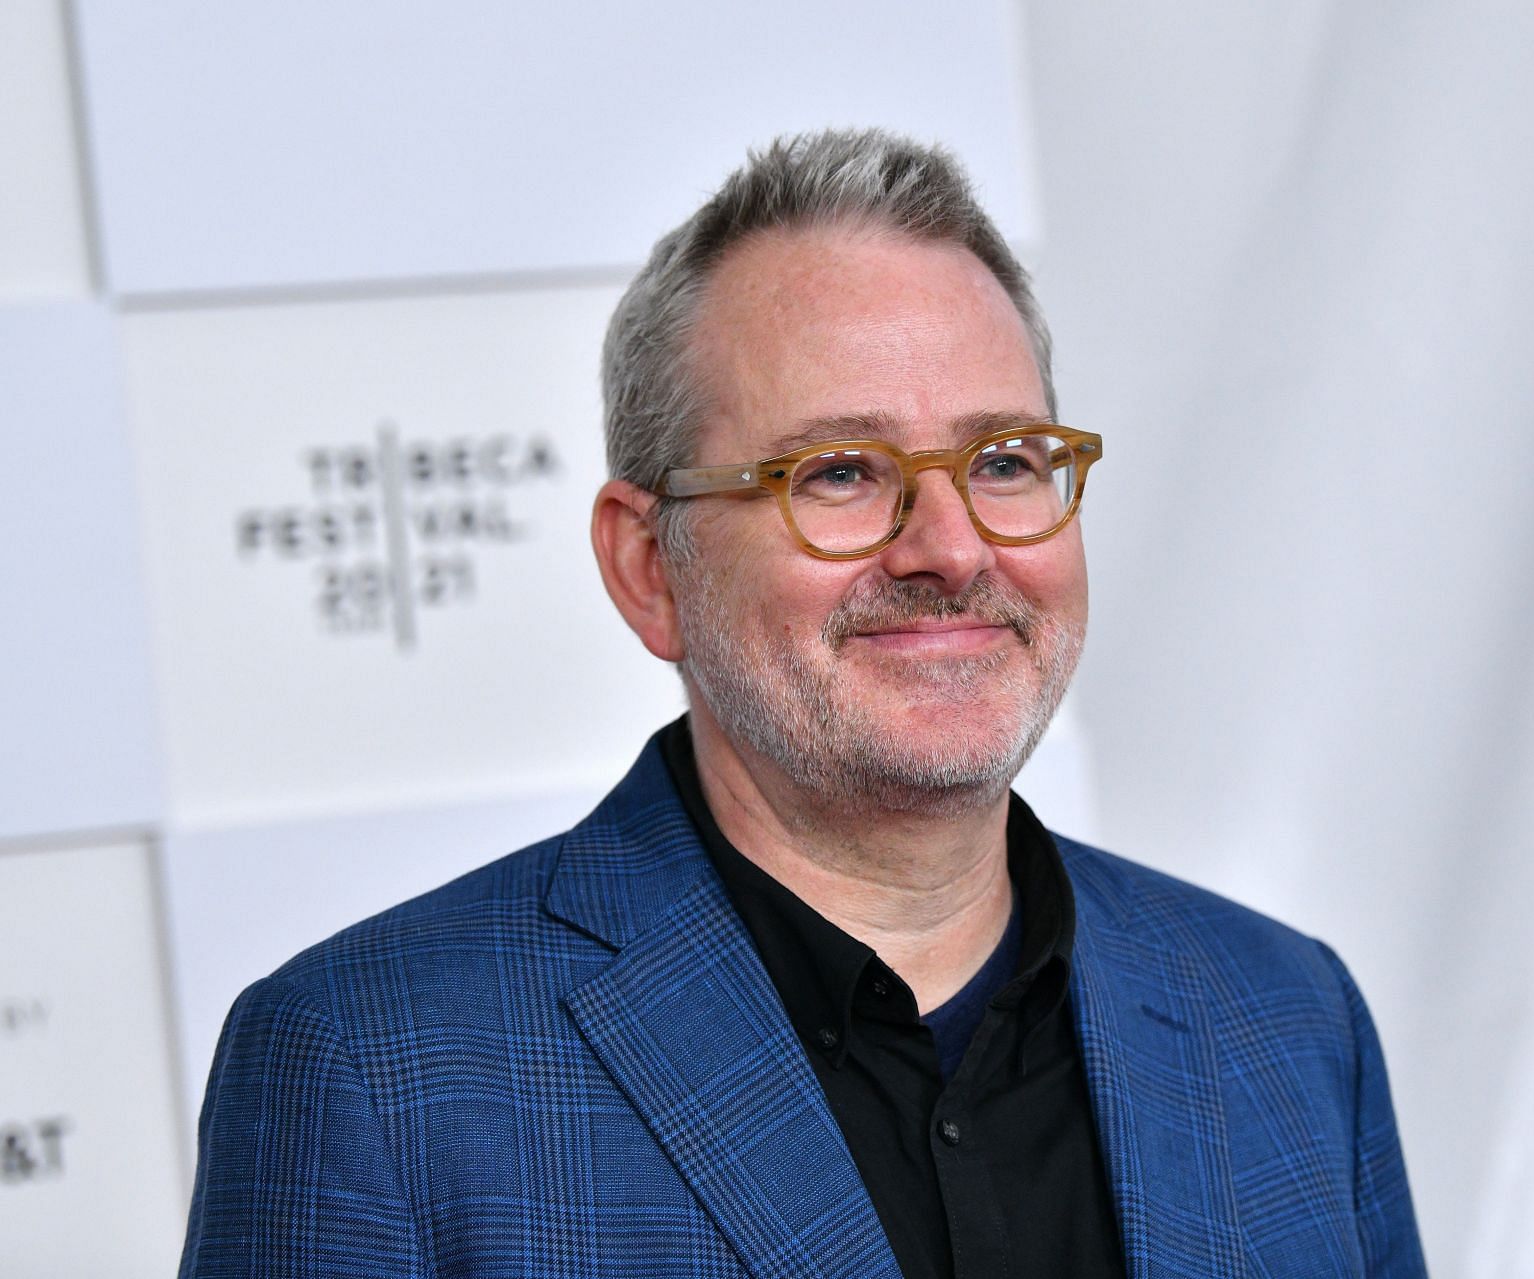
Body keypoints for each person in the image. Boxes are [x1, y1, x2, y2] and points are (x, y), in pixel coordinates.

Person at [178, 129, 1425, 1279]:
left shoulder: (1287, 1017)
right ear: (649, 566)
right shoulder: (373, 1069)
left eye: (1002, 460)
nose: (951, 545)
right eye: (838, 471)